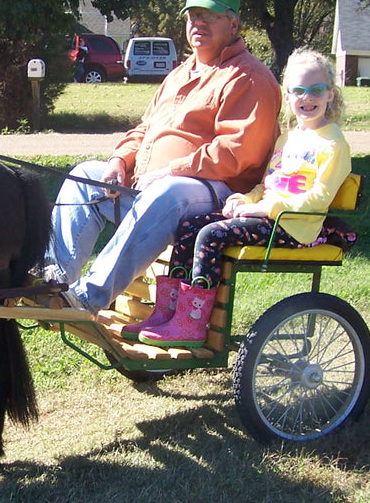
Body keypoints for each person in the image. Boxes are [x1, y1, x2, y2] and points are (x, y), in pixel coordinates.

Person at [44, 0, 282, 312]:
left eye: (209, 16)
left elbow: (238, 153)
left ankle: (87, 298)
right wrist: (118, 162)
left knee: (167, 192)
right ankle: (52, 281)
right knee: (86, 177)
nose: (198, 23)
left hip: (218, 196)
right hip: (155, 191)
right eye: (192, 16)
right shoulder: (180, 73)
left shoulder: (249, 78)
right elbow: (145, 129)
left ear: (233, 23)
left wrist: (172, 171)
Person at [132, 47, 353, 348]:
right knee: (189, 227)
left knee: (211, 235)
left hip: (294, 226)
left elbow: (319, 197)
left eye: (316, 90)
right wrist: (247, 200)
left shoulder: (332, 143)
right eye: (298, 91)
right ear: (288, 96)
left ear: (330, 94)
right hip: (268, 216)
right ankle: (167, 313)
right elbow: (268, 184)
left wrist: (266, 209)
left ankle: (191, 324)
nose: (307, 98)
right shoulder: (286, 140)